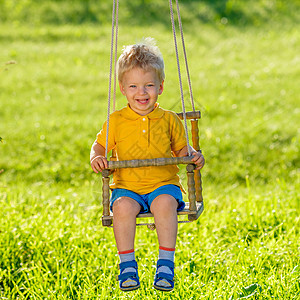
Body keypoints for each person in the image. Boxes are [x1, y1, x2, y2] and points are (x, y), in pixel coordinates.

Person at [90, 38, 205, 292]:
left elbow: (182, 150)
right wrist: (96, 157)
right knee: (120, 208)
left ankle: (166, 263)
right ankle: (127, 264)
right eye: (133, 86)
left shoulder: (169, 119)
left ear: (160, 87)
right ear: (122, 88)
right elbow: (98, 147)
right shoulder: (116, 120)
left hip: (163, 184)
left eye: (148, 85)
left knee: (164, 204)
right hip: (127, 187)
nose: (141, 93)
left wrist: (193, 155)